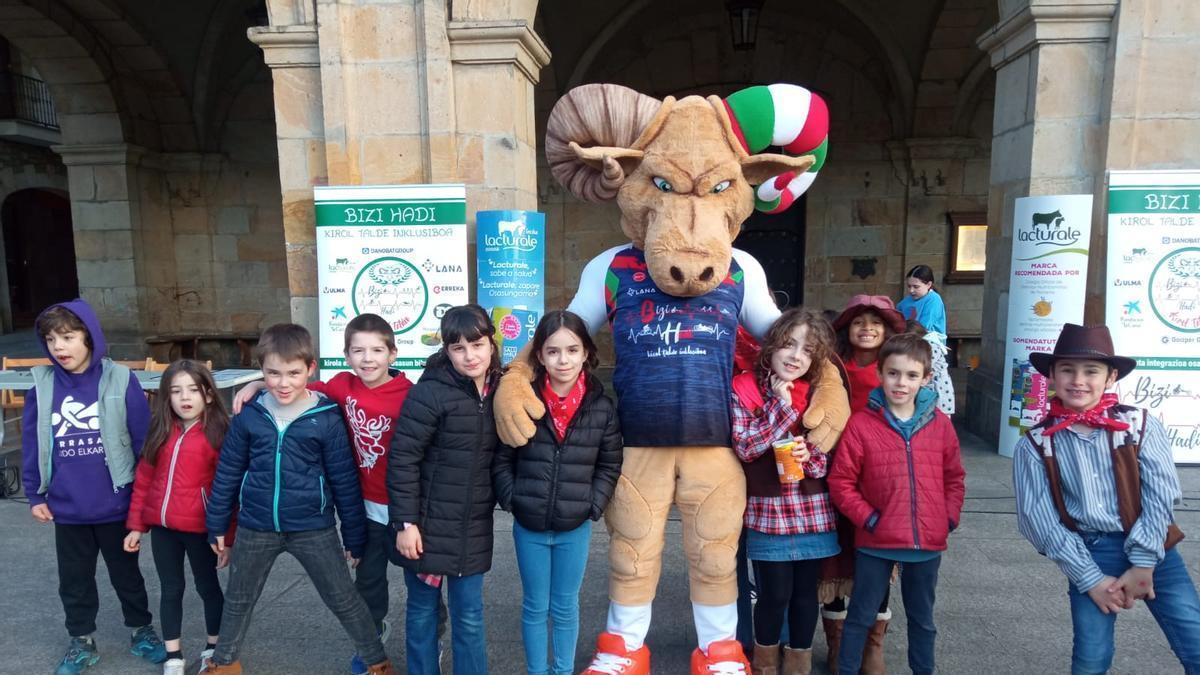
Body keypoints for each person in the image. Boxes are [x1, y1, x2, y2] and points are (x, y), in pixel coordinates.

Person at [201, 323, 393, 675]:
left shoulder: (326, 418)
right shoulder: (250, 416)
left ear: (310, 369)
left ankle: (376, 662)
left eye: (292, 373)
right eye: (272, 373)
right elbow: (227, 472)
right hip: (256, 526)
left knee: (343, 599)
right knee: (239, 599)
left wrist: (354, 537)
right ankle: (224, 663)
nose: (283, 382)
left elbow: (345, 481)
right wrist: (217, 525)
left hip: (312, 527)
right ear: (262, 372)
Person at [1013, 323, 1200, 674]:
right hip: (1090, 552)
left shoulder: (1138, 424)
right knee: (1091, 657)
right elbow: (1036, 520)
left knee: (1194, 639)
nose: (1078, 380)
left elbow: (1162, 493)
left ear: (1111, 377)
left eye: (1091, 371)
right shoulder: (1036, 443)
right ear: (1052, 375)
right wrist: (1090, 580)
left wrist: (1145, 562)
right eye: (1067, 370)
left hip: (1155, 547)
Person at [20, 300, 167, 675]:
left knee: (127, 576)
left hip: (115, 503)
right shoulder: (43, 384)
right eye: (51, 339)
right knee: (75, 582)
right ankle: (81, 641)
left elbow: (142, 440)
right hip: (68, 508)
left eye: (68, 337)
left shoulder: (119, 378)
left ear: (89, 336)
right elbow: (34, 442)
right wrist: (35, 492)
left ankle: (141, 630)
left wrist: (146, 498)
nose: (59, 347)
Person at [493, 310, 624, 675]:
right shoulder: (523, 399)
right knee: (535, 606)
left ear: (585, 354)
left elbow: (609, 464)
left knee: (566, 606)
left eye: (571, 350)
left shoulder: (601, 407)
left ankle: (562, 670)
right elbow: (502, 456)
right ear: (540, 356)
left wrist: (592, 505)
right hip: (529, 524)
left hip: (574, 527)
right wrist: (512, 497)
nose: (562, 360)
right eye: (552, 351)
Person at [828, 333, 965, 675]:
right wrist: (869, 519)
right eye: (893, 373)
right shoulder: (861, 424)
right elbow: (841, 482)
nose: (901, 383)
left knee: (923, 620)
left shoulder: (941, 425)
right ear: (880, 373)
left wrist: (947, 517)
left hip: (926, 543)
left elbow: (954, 477)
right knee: (860, 616)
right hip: (876, 541)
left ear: (926, 378)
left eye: (911, 375)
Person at [730, 308, 848, 675]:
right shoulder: (744, 387)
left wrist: (807, 453)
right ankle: (765, 665)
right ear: (771, 346)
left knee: (803, 597)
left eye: (807, 350)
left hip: (812, 509)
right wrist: (780, 409)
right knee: (774, 594)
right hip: (768, 511)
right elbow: (746, 447)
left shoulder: (816, 392)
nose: (796, 356)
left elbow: (824, 461)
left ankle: (798, 664)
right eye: (788, 344)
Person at [389, 304, 502, 675]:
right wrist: (406, 523)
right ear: (446, 351)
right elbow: (403, 458)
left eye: (477, 344)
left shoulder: (501, 387)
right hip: (425, 525)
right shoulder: (431, 392)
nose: (470, 355)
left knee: (470, 616)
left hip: (471, 525)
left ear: (490, 344)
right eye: (458, 348)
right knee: (422, 611)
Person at [124, 360, 233, 675]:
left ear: (209, 395)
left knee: (208, 588)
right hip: (163, 529)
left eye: (193, 390)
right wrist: (135, 526)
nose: (185, 397)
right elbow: (144, 480)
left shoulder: (219, 434)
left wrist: (226, 536)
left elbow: (230, 491)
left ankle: (213, 648)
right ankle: (174, 655)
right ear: (166, 397)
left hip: (202, 529)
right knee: (170, 589)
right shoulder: (159, 431)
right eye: (176, 391)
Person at [823, 294, 907, 673]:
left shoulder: (896, 373)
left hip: (878, 476)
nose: (867, 327)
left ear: (888, 330)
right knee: (834, 558)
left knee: (876, 556)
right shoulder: (831, 368)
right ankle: (839, 643)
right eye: (859, 321)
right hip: (834, 472)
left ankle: (873, 643)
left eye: (876, 321)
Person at [897, 265, 954, 415]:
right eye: (909, 286)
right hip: (909, 342)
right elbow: (896, 316)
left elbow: (923, 326)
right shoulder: (907, 301)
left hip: (928, 344)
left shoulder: (933, 300)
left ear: (929, 285)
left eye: (916, 286)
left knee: (929, 381)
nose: (911, 290)